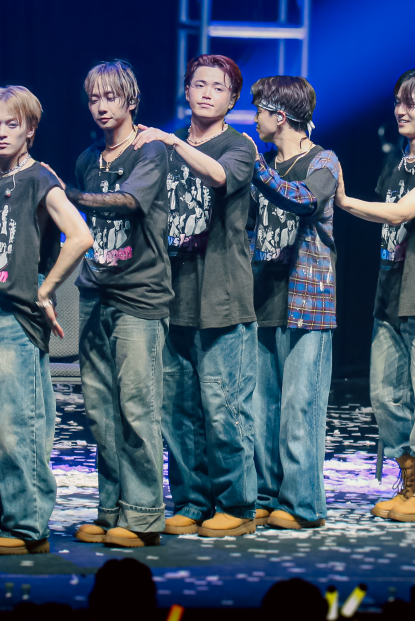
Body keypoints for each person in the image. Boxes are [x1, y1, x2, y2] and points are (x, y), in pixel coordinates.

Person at [0, 86, 92, 556]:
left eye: (10, 124)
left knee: (20, 425)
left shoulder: (40, 178)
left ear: (30, 129)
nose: (0, 133)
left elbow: (79, 236)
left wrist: (45, 288)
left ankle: (26, 526)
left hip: (17, 316)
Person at [132, 54, 258, 538]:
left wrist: (170, 142)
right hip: (169, 294)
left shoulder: (239, 145)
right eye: (198, 84)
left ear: (231, 99)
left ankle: (236, 505)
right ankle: (189, 499)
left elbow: (219, 178)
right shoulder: (163, 149)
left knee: (224, 408)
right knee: (178, 410)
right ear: (186, 91)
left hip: (222, 296)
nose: (206, 92)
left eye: (217, 87)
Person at [335, 68, 415, 523]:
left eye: (412, 102)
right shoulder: (398, 163)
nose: (401, 110)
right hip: (390, 294)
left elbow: (402, 212)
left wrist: (345, 201)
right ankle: (410, 485)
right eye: (398, 101)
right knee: (386, 397)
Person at [61, 61, 172, 548]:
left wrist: (70, 195)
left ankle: (145, 515)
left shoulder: (150, 151)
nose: (102, 106)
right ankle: (112, 510)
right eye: (94, 98)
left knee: (138, 408)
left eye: (111, 97)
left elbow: (130, 201)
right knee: (102, 410)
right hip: (96, 294)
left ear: (131, 100)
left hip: (139, 297)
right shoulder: (89, 157)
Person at [246, 76, 338, 530]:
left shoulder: (324, 160)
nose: (255, 118)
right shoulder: (263, 162)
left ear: (279, 116)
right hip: (264, 298)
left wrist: (255, 171)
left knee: (300, 407)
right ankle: (267, 494)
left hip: (308, 302)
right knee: (264, 409)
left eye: (259, 109)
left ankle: (303, 505)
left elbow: (304, 200)